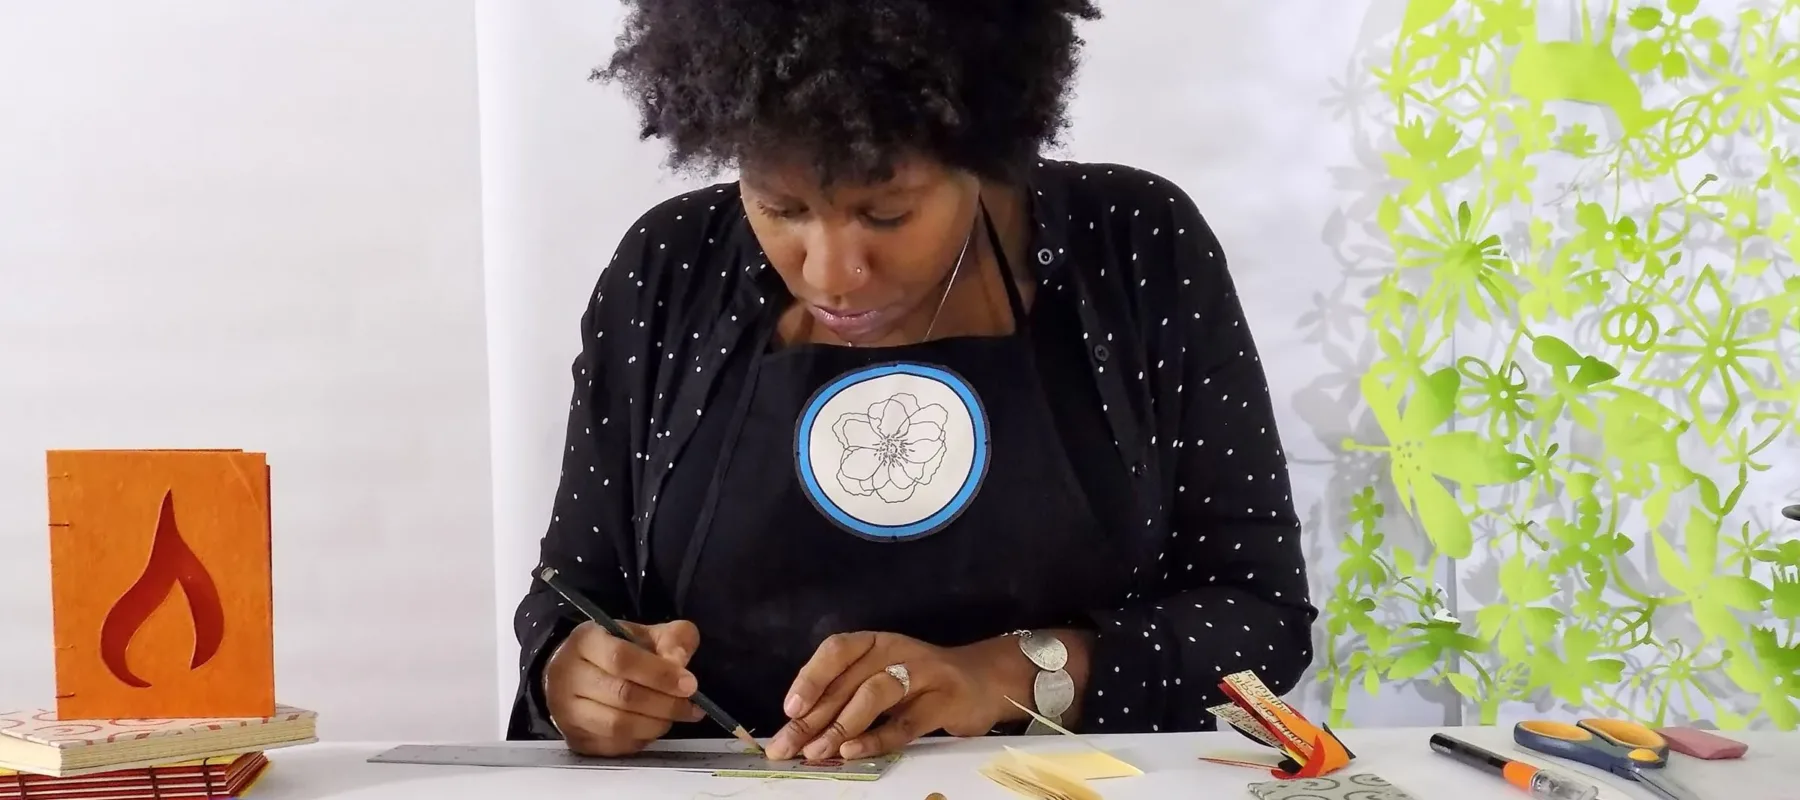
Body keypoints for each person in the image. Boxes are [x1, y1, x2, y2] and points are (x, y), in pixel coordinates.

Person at [507, 0, 1317, 763]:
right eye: (781, 207)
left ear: (983, 147)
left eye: (886, 213)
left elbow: (1261, 624)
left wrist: (1004, 675)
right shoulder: (669, 269)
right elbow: (572, 593)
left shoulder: (1137, 250)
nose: (832, 275)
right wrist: (576, 679)